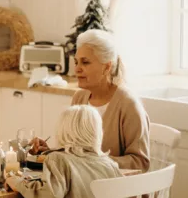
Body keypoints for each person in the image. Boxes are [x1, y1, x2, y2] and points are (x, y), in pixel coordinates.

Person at [31, 29, 150, 172]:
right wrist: (51, 151)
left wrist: (95, 161)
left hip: (116, 190)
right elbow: (74, 150)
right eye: (76, 62)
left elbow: (140, 163)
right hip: (84, 185)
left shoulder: (128, 105)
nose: (77, 69)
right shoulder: (79, 98)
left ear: (107, 67)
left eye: (85, 62)